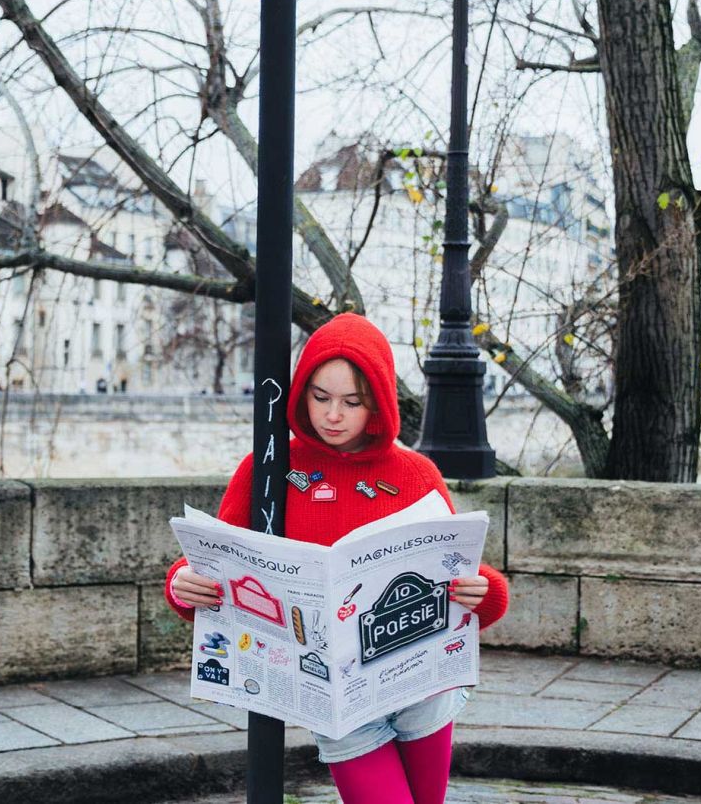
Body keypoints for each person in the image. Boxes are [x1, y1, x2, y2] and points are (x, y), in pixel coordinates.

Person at [165, 312, 510, 804]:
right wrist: (182, 583)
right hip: (335, 699)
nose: (333, 415)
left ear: (380, 403)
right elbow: (218, 560)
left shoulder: (417, 474)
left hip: (421, 688)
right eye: (320, 397)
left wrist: (486, 591)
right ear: (301, 393)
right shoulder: (268, 467)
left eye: (352, 402)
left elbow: (463, 578)